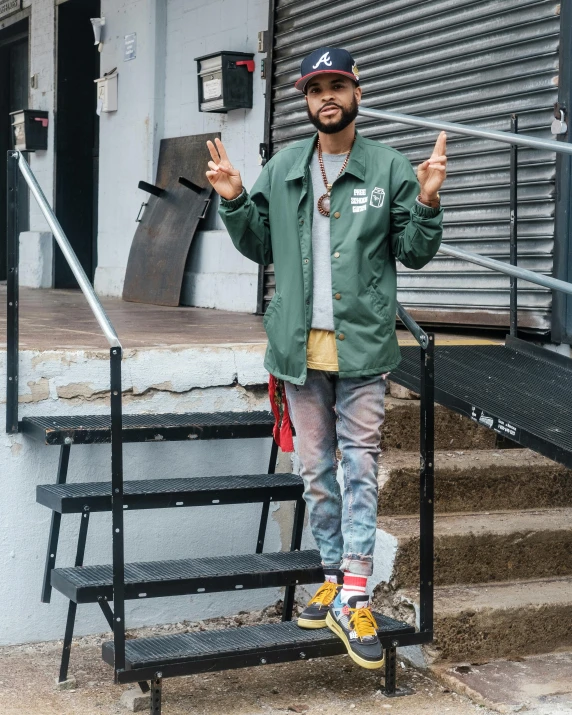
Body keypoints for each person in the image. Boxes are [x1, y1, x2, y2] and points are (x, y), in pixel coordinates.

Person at [206, 46, 446, 670]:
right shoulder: (285, 165)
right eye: (316, 89)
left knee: (359, 467)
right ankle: (335, 578)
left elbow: (415, 253)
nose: (327, 97)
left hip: (364, 347)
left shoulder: (389, 167)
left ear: (357, 94)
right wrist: (233, 200)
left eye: (338, 85)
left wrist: (426, 200)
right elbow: (259, 243)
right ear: (307, 101)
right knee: (316, 472)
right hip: (297, 350)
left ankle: (356, 591)